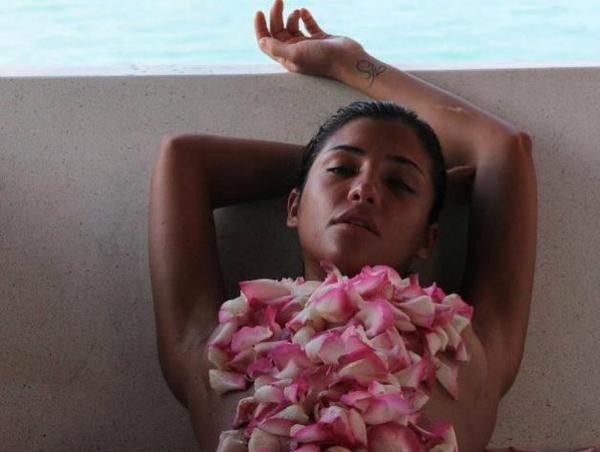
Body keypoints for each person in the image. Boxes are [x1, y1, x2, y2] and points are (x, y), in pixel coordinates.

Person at [148, 1, 537, 450]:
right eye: (342, 171)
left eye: (399, 184)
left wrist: (348, 62)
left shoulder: (470, 346)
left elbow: (504, 148)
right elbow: (183, 158)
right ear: (293, 206)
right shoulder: (212, 345)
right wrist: (322, 166)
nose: (364, 190)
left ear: (429, 237)